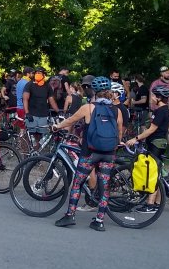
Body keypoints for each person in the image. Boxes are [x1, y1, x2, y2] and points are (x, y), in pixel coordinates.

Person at [52, 76, 122, 232]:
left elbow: (70, 120)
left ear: (94, 91)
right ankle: (99, 221)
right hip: (109, 154)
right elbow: (119, 134)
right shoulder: (117, 110)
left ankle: (70, 216)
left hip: (90, 153)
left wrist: (57, 126)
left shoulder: (89, 107)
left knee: (77, 184)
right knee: (104, 186)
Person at [125, 82, 169, 211]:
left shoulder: (161, 111)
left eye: (154, 96)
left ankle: (150, 204)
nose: (152, 98)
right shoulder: (163, 110)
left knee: (152, 173)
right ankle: (157, 203)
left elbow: (151, 130)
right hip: (159, 142)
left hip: (156, 143)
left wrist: (135, 139)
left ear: (159, 97)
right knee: (157, 173)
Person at [22, 67, 56, 147]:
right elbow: (25, 99)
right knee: (30, 134)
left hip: (43, 114)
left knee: (40, 134)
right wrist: (27, 113)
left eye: (39, 73)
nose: (37, 74)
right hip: (32, 114)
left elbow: (51, 100)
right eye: (36, 73)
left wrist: (58, 110)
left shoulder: (47, 86)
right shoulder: (29, 84)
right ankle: (26, 151)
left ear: (44, 75)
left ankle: (36, 151)